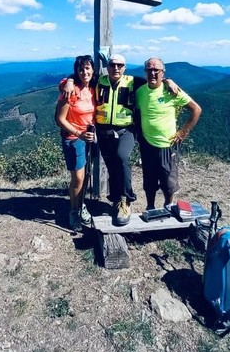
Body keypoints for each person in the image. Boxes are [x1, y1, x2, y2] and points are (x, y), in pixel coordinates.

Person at [61, 53, 178, 226]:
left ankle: (126, 200)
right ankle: (116, 200)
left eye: (120, 65)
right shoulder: (99, 81)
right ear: (107, 67)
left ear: (125, 67)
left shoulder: (133, 82)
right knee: (111, 166)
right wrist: (69, 81)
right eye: (112, 65)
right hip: (103, 133)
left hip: (125, 131)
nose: (116, 68)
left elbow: (154, 79)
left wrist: (168, 80)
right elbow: (81, 75)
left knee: (122, 158)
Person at [135, 57, 202, 210]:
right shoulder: (140, 92)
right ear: (145, 72)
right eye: (149, 70)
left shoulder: (172, 91)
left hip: (168, 144)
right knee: (149, 179)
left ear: (162, 73)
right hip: (147, 143)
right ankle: (150, 207)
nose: (152, 73)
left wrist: (184, 132)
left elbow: (196, 109)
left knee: (168, 180)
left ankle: (168, 205)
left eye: (156, 70)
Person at [55, 55, 96, 232]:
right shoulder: (70, 91)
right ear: (76, 71)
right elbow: (59, 119)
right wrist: (79, 134)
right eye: (80, 69)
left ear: (92, 70)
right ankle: (74, 211)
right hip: (74, 139)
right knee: (78, 178)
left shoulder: (94, 88)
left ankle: (81, 206)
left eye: (87, 68)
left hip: (89, 138)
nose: (84, 72)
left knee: (85, 176)